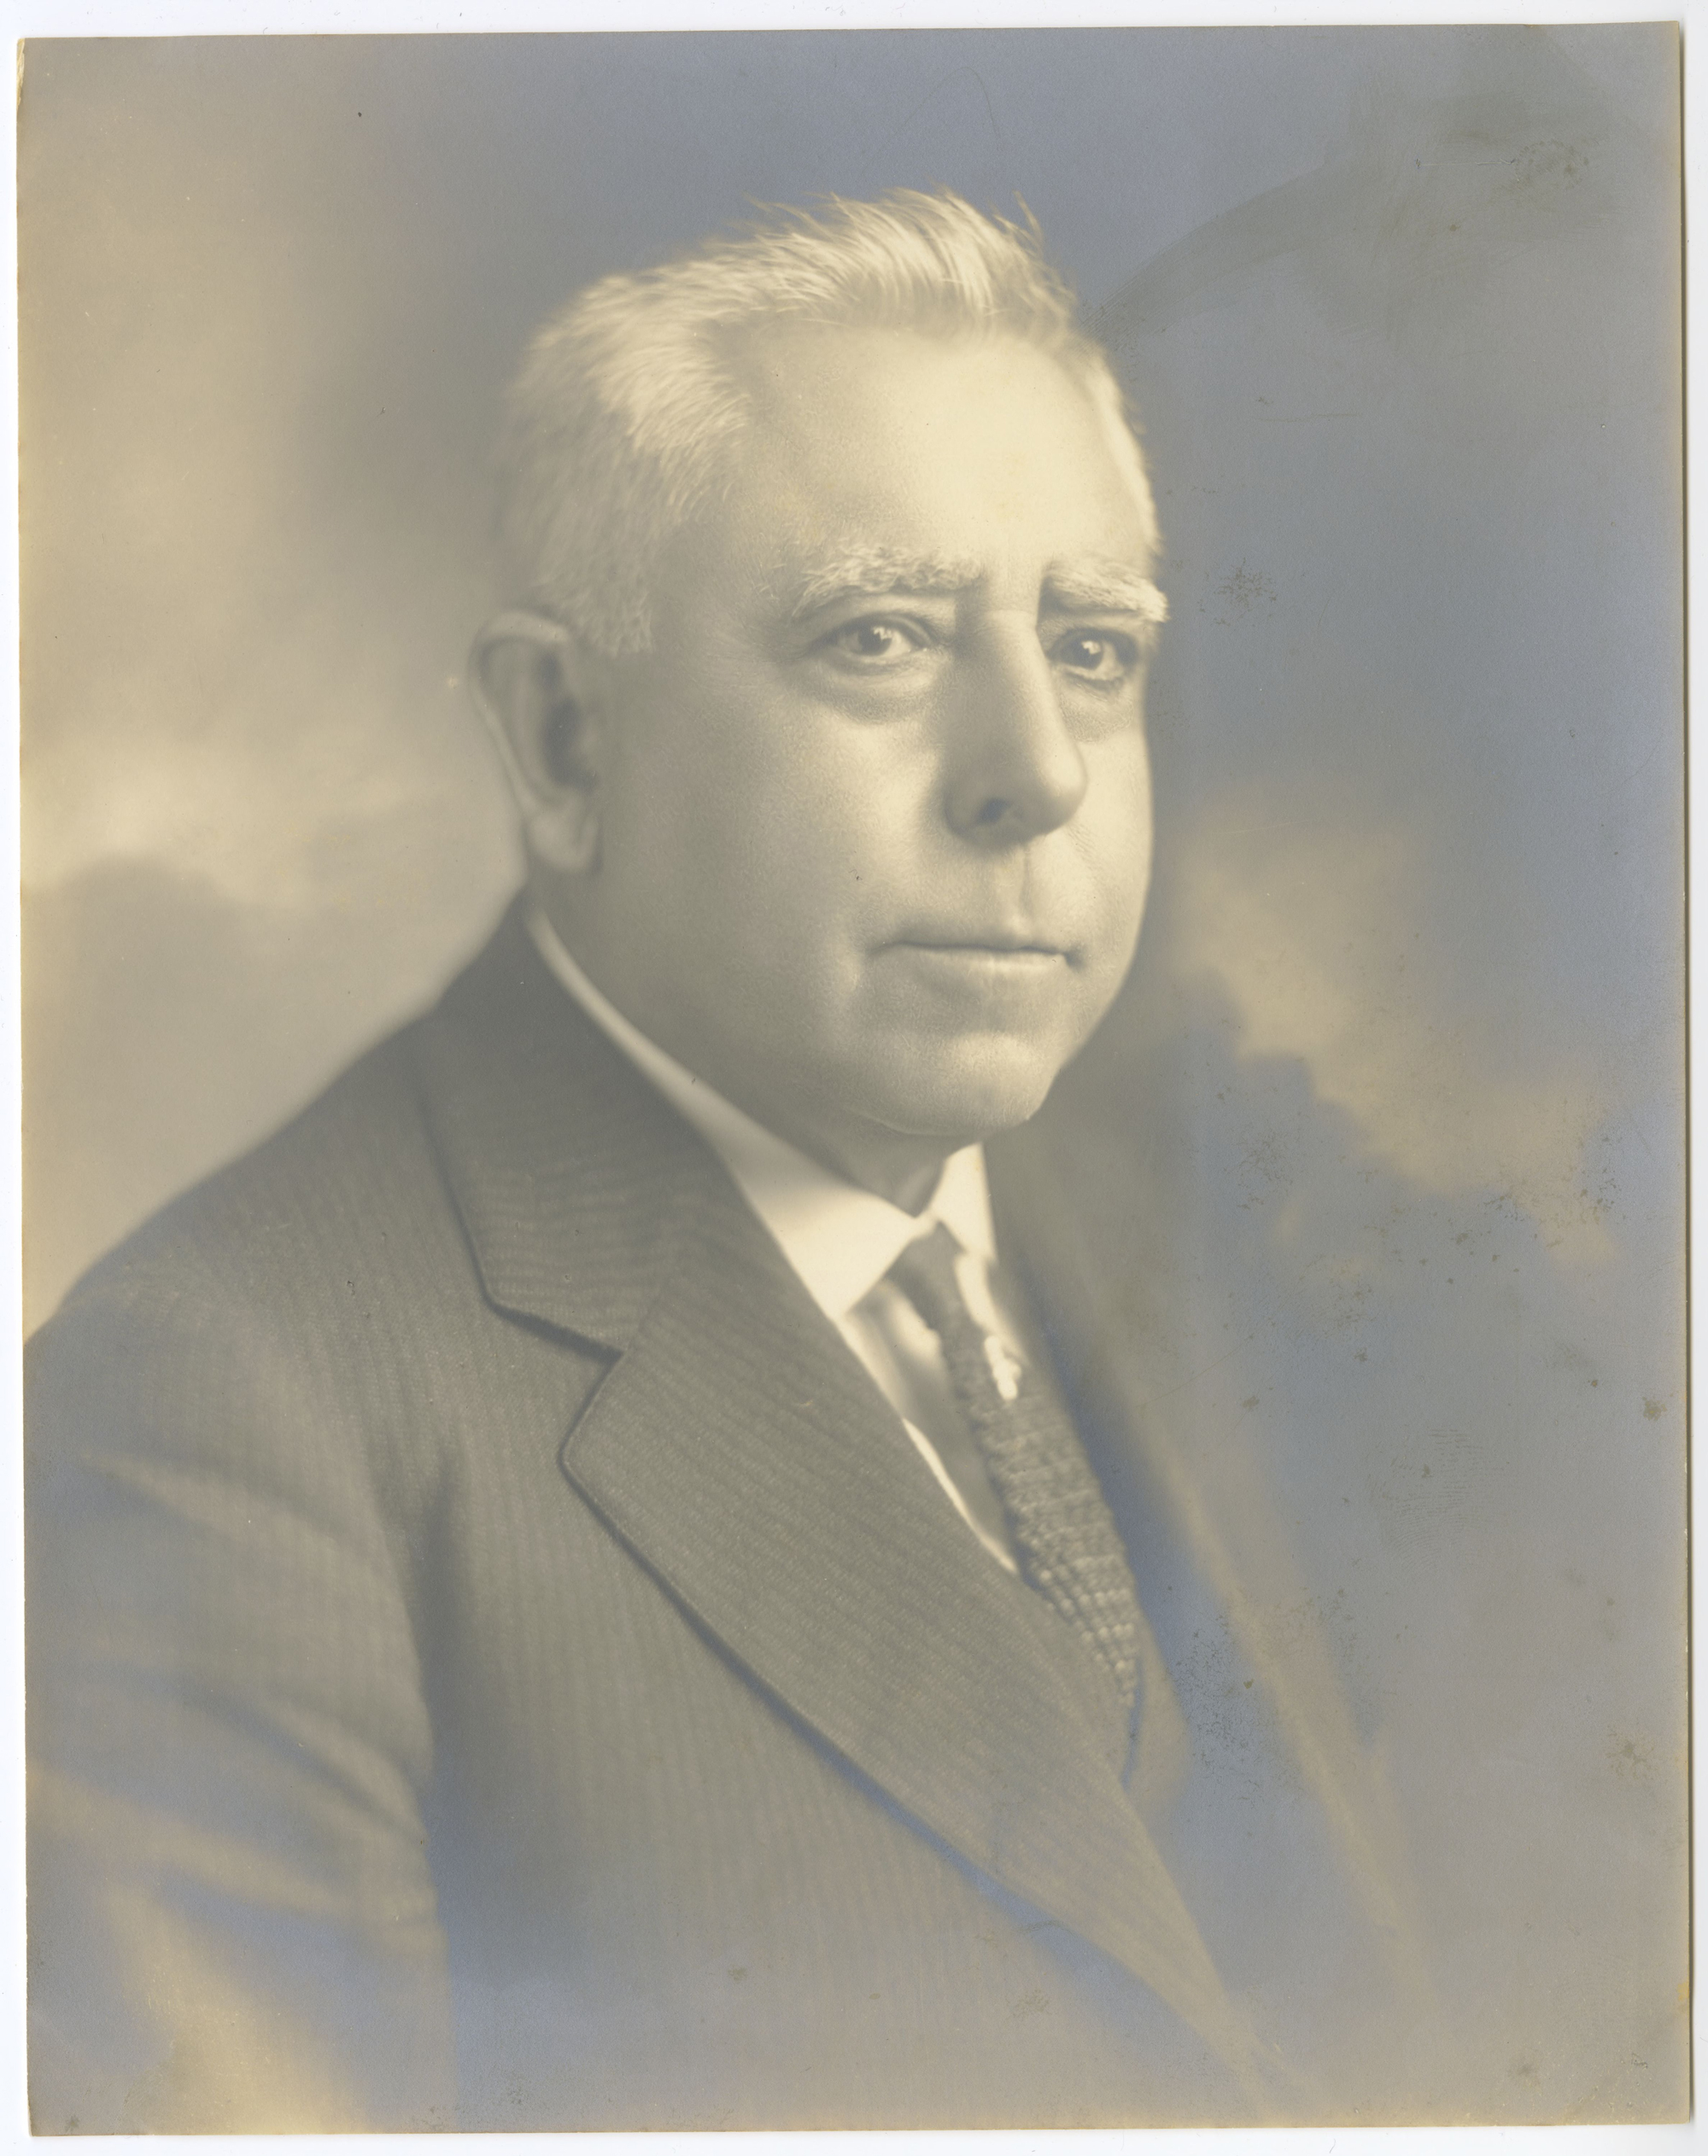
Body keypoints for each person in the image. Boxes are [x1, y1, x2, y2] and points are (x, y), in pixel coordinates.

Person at [26, 190, 1414, 2133]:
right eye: (878, 635)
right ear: (565, 739)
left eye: (1092, 647)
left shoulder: (1180, 1228)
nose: (1043, 769)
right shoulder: (222, 1401)